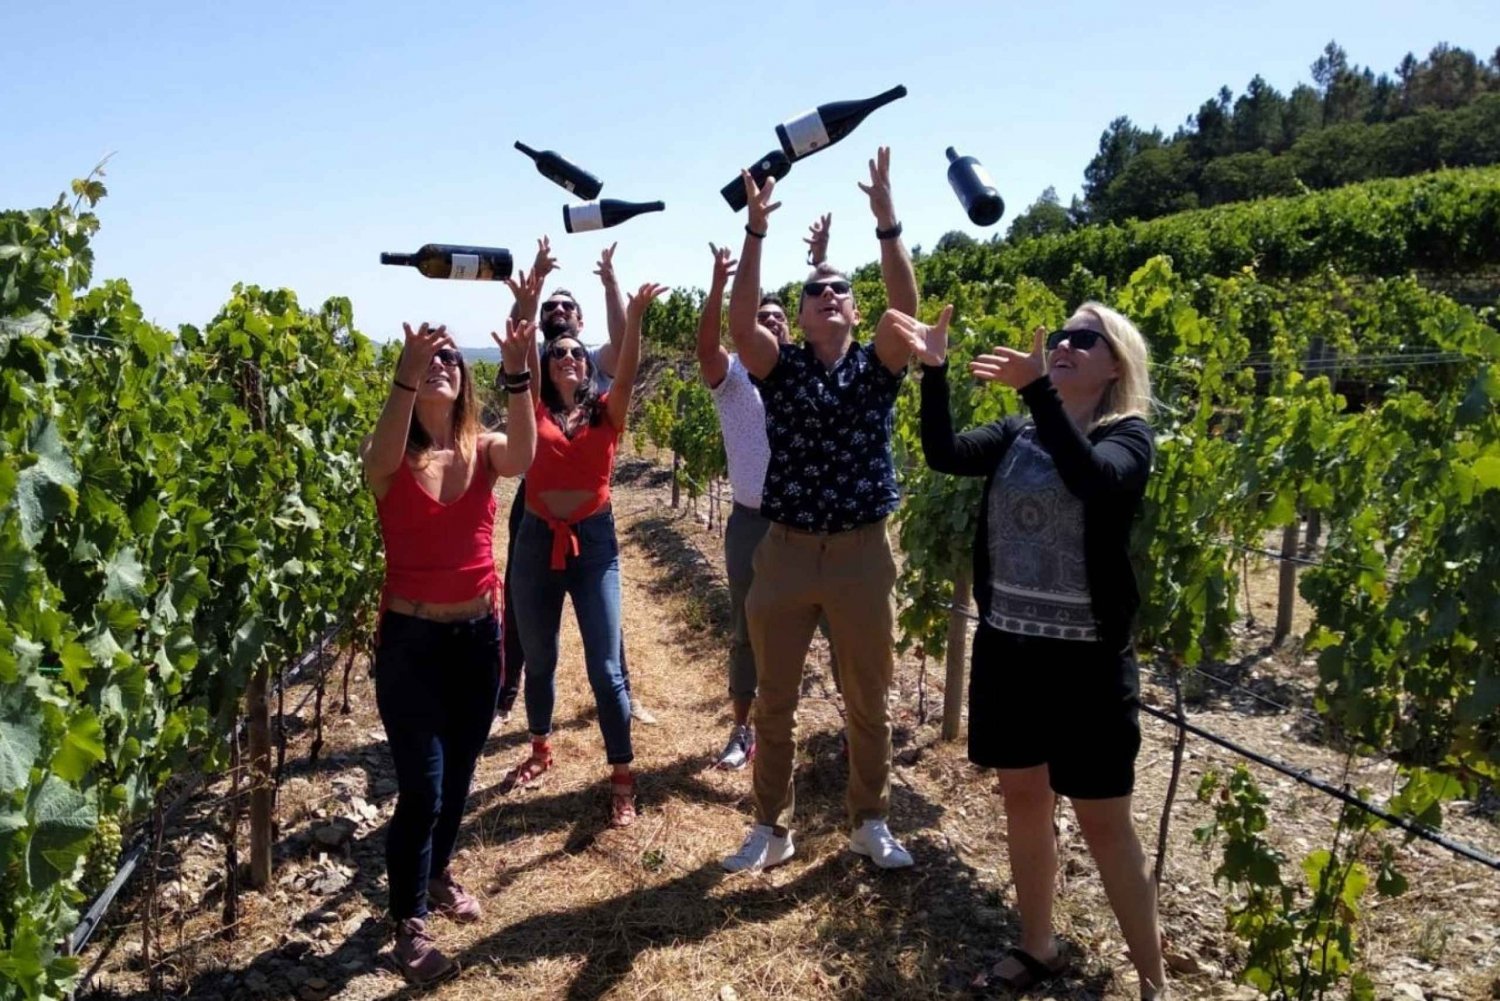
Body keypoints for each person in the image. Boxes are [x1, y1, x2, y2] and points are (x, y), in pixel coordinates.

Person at [907, 301, 1167, 998]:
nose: (1066, 344)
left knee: (1104, 820)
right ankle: (1037, 944)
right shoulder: (1019, 431)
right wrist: (934, 371)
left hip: (1086, 665)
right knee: (1023, 798)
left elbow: (1093, 480)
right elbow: (943, 452)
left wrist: (1036, 390)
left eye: (1088, 338)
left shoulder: (1128, 436)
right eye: (1062, 336)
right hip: (1010, 653)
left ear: (1116, 364)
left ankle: (1153, 980)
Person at [721, 147, 921, 873]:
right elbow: (743, 326)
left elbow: (908, 309)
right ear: (800, 317)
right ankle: (772, 827)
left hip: (864, 552)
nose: (829, 295)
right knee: (774, 700)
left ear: (857, 308)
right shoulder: (783, 368)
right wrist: (755, 233)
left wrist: (885, 221)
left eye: (840, 289)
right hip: (787, 549)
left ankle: (869, 819)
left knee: (868, 697)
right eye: (816, 292)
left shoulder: (877, 365)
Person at [361, 317, 537, 984]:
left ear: (465, 380)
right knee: (423, 789)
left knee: (460, 775)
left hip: (476, 639)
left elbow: (523, 455)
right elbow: (377, 456)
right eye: (429, 360)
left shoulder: (484, 449)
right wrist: (406, 370)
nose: (440, 364)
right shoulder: (391, 460)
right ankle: (407, 921)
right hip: (411, 642)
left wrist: (519, 370)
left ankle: (435, 874)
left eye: (449, 358)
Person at [504, 277, 668, 827]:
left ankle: (622, 776)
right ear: (547, 366)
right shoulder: (531, 406)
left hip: (594, 543)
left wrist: (637, 313)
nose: (569, 357)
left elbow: (628, 365)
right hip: (536, 541)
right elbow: (523, 352)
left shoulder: (606, 409)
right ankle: (540, 749)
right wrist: (528, 299)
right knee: (541, 656)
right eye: (559, 354)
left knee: (605, 666)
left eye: (576, 352)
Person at [694, 217, 838, 771]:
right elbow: (707, 343)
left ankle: (851, 732)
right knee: (746, 627)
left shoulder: (806, 373)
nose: (773, 325)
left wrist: (820, 261)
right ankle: (742, 731)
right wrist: (718, 284)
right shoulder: (731, 380)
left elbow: (833, 323)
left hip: (813, 525)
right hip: (753, 522)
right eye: (763, 319)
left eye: (780, 319)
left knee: (838, 629)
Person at [496, 240, 658, 727]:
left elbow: (626, 347)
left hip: (588, 500)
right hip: (537, 496)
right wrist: (531, 292)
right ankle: (511, 689)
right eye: (552, 308)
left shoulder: (592, 363)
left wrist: (611, 282)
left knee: (598, 601)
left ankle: (619, 689)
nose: (559, 311)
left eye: (567, 307)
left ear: (581, 324)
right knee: (524, 596)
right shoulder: (537, 371)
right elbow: (517, 342)